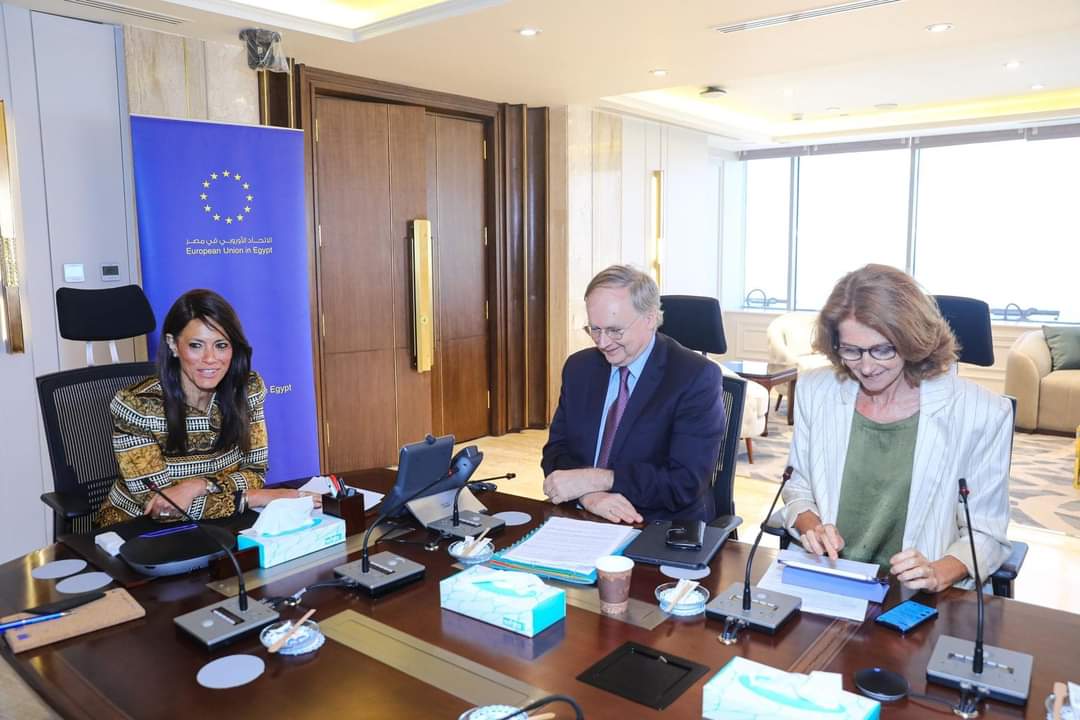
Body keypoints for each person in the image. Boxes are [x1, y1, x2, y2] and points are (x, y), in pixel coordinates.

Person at [782, 264, 1011, 592]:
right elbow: (797, 486)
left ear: (911, 340)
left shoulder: (983, 412)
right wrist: (811, 526)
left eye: (882, 349)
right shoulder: (815, 390)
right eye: (851, 350)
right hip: (831, 581)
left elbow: (987, 535)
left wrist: (938, 572)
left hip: (918, 597)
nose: (866, 366)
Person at [97, 289, 319, 527]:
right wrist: (255, 497)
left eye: (221, 345)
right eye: (196, 345)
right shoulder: (136, 406)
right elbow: (162, 505)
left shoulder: (248, 390)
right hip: (136, 528)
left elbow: (254, 472)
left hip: (217, 524)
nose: (210, 358)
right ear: (173, 345)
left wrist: (198, 486)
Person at [541, 265, 724, 524]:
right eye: (594, 329)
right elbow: (555, 451)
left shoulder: (695, 377)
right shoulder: (579, 368)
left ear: (650, 319)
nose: (602, 342)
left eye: (615, 330)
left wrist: (599, 479)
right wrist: (589, 495)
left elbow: (684, 482)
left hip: (657, 522)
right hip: (583, 512)